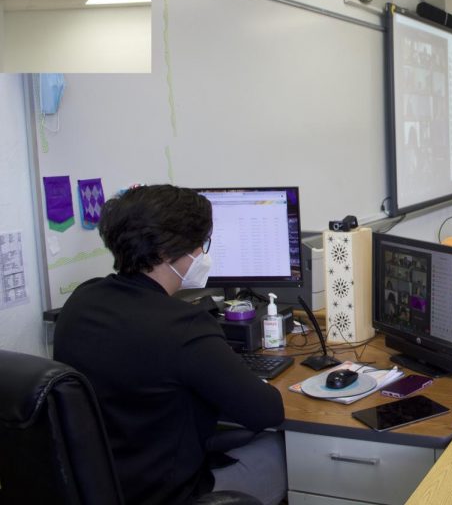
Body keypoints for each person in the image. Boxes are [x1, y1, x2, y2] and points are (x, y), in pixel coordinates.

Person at [54, 185, 286, 505]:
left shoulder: (82, 300)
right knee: (285, 450)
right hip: (171, 493)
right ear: (166, 253)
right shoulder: (183, 326)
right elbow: (267, 412)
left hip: (104, 486)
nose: (203, 255)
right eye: (200, 245)